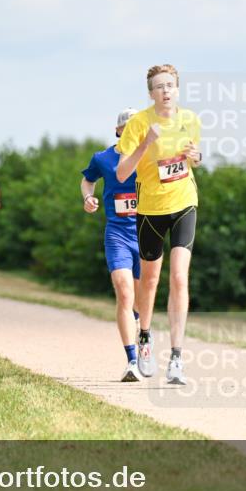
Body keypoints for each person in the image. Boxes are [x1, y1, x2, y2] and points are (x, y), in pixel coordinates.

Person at [115, 64, 202, 385]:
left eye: (170, 85)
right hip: (150, 208)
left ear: (177, 89)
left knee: (179, 277)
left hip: (184, 202)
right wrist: (145, 143)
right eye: (159, 86)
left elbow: (193, 158)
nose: (166, 91)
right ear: (150, 93)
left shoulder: (190, 120)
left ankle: (177, 357)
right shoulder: (139, 123)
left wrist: (197, 156)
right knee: (149, 281)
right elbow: (123, 174)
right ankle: (146, 338)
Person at [81, 108, 142, 382]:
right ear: (118, 131)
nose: (131, 131)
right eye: (126, 127)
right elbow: (88, 180)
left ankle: (143, 336)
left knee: (140, 304)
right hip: (117, 234)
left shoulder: (150, 157)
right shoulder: (103, 158)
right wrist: (88, 198)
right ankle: (132, 361)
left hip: (146, 233)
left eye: (136, 127)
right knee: (124, 293)